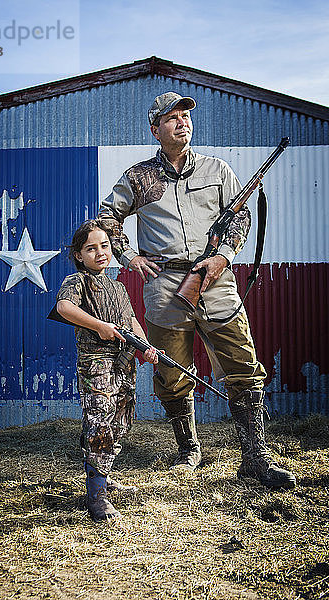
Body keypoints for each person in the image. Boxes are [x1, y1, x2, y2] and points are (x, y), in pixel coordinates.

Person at [98, 91, 296, 490]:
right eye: (171, 118)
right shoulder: (138, 177)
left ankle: (255, 458)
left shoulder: (218, 170)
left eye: (185, 116)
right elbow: (107, 217)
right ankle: (189, 451)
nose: (182, 122)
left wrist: (223, 256)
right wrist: (129, 257)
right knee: (172, 373)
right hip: (166, 287)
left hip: (217, 283)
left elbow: (240, 218)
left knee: (244, 367)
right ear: (155, 129)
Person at [56, 219, 158, 521]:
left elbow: (132, 322)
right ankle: (96, 494)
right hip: (96, 362)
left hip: (124, 362)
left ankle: (104, 474)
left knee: (121, 421)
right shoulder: (77, 282)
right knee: (100, 419)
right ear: (79, 255)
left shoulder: (118, 286)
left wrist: (146, 347)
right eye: (91, 248)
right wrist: (99, 326)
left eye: (105, 245)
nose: (101, 252)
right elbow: (64, 308)